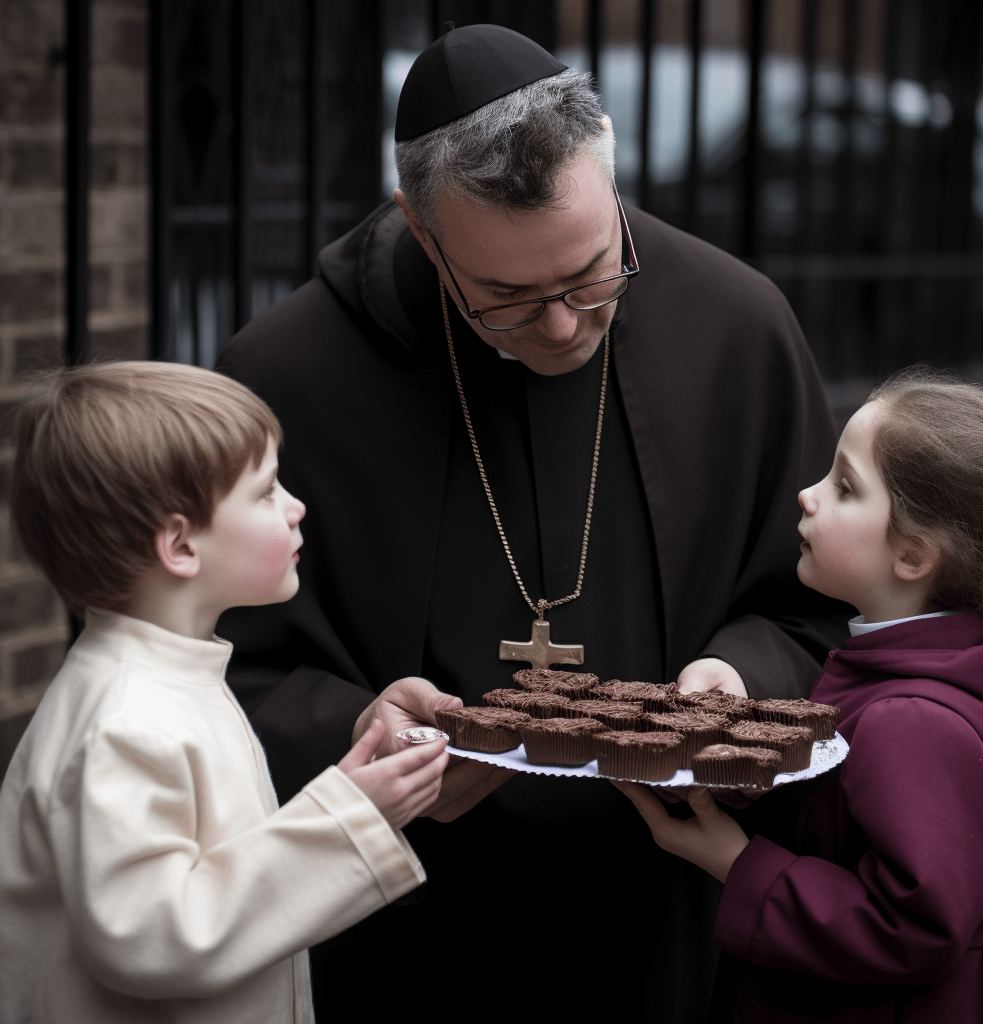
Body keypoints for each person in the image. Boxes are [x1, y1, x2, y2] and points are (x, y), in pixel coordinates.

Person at [216, 23, 848, 1022]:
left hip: (663, 913)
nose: (560, 326)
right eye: (506, 298)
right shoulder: (287, 375)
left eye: (592, 274)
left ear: (610, 177)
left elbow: (819, 610)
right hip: (404, 926)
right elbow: (216, 665)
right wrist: (361, 729)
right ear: (419, 231)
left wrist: (734, 685)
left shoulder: (736, 327)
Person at [0, 362, 448, 1024]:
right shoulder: (129, 721)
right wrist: (349, 821)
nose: (296, 506)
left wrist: (352, 795)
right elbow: (151, 936)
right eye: (265, 491)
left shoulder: (166, 678)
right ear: (181, 545)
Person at [616, 369, 983, 1023]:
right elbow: (834, 816)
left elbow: (915, 927)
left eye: (844, 487)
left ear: (915, 556)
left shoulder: (914, 720)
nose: (807, 495)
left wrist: (738, 862)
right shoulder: (900, 671)